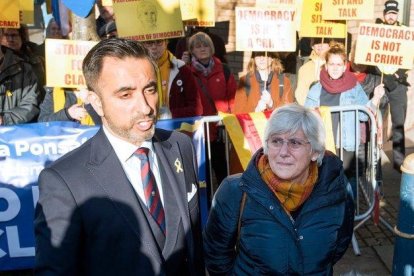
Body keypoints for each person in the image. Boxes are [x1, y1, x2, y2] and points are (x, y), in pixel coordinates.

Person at [34, 38, 204, 275]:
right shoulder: (64, 180)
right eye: (126, 95)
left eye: (150, 89)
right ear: (96, 102)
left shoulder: (179, 146)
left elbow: (192, 242)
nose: (145, 107)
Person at [203, 103, 355, 275]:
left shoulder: (336, 188)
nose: (283, 152)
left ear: (314, 151)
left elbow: (338, 246)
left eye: (295, 142)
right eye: (276, 141)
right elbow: (216, 256)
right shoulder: (235, 191)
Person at [304, 43, 384, 195]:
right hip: (323, 144)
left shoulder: (354, 87)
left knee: (347, 181)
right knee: (322, 182)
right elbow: (306, 117)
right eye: (331, 64)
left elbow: (362, 114)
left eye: (339, 64)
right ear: (326, 66)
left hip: (346, 145)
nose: (335, 67)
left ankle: (349, 213)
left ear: (344, 66)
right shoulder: (316, 88)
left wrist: (375, 99)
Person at [187, 31, 237, 184]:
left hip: (220, 130)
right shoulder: (186, 72)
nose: (202, 49)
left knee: (223, 172)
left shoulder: (224, 70)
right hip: (198, 132)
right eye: (198, 46)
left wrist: (229, 120)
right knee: (203, 176)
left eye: (206, 45)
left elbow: (233, 98)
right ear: (192, 51)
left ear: (212, 48)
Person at [373, 0, 410, 172]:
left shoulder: (404, 32)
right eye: (388, 13)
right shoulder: (376, 30)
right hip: (380, 81)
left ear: (397, 15)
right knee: (374, 120)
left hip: (397, 83)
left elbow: (410, 55)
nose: (391, 16)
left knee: (398, 123)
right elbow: (369, 53)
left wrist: (398, 74)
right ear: (384, 14)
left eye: (394, 13)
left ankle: (398, 162)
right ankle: (372, 157)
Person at [143, 38, 203, 119]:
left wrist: (170, 114)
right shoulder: (136, 71)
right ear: (143, 45)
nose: (154, 47)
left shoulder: (182, 69)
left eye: (159, 42)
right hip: (147, 128)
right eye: (149, 43)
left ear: (166, 42)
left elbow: (197, 109)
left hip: (177, 128)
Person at [0, 31, 40, 125]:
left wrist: (5, 119)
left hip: (14, 135)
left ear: (1, 36)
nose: (11, 39)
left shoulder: (24, 69)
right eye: (8, 35)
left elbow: (31, 103)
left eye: (14, 35)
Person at [1, 26, 46, 101]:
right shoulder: (2, 62)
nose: (10, 40)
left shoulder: (37, 61)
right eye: (6, 35)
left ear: (22, 37)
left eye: (14, 35)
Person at [295, 37, 330, 105]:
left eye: (324, 41)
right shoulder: (305, 68)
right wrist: (310, 109)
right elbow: (300, 93)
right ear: (312, 46)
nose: (320, 44)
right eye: (316, 42)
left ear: (329, 45)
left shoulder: (337, 64)